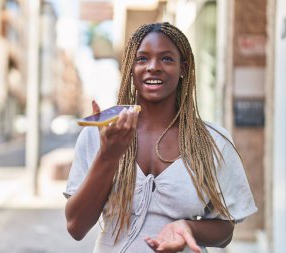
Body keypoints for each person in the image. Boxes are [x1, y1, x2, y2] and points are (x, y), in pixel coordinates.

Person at [64, 22, 257, 253]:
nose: (153, 67)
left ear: (183, 68)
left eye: (166, 59)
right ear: (130, 68)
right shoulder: (99, 134)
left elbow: (226, 231)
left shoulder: (213, 142)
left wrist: (187, 228)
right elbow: (76, 227)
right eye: (142, 59)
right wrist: (108, 156)